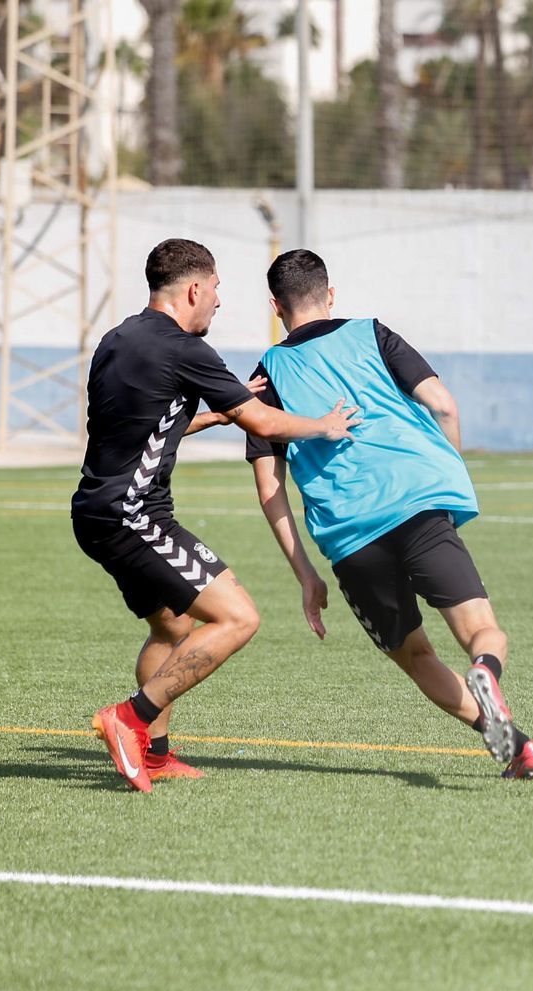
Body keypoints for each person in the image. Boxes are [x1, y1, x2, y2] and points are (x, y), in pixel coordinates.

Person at [244, 248, 533, 781]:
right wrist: (447, 484)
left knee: (415, 655)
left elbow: (270, 488)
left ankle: (514, 746)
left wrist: (306, 576)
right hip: (419, 502)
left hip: (350, 536)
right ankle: (486, 672)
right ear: (330, 294)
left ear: (276, 306)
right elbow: (444, 403)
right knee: (482, 631)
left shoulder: (265, 377)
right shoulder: (372, 333)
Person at [75, 238, 361, 793]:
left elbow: (139, 426)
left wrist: (215, 417)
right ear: (194, 289)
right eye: (218, 291)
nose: (219, 304)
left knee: (172, 625)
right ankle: (129, 719)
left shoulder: (115, 341)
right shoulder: (185, 351)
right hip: (135, 515)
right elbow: (265, 424)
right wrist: (322, 424)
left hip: (95, 512)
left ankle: (153, 753)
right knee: (238, 617)